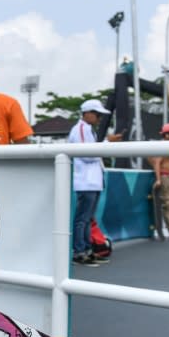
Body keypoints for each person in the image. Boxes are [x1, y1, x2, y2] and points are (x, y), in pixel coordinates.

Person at [68, 99, 118, 266]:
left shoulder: (87, 129)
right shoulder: (82, 129)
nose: (98, 118)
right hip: (86, 181)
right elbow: (87, 154)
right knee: (82, 219)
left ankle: (87, 250)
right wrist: (107, 143)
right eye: (96, 114)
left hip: (92, 181)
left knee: (87, 219)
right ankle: (79, 252)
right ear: (87, 113)